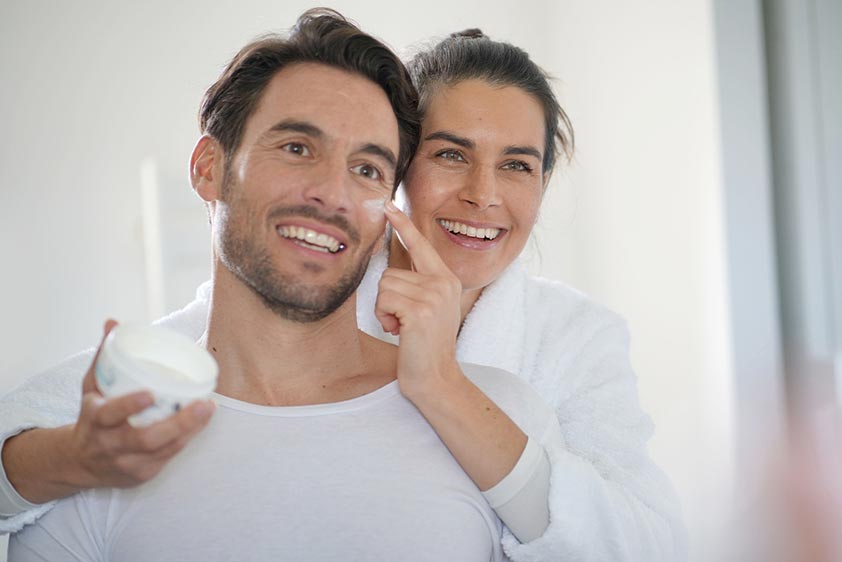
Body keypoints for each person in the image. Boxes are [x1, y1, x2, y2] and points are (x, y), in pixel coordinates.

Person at [0, 18, 686, 562]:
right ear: (401, 181)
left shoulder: (566, 345)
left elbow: (643, 545)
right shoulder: (270, 314)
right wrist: (70, 457)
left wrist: (442, 387)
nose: (483, 196)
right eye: (449, 155)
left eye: (518, 165)